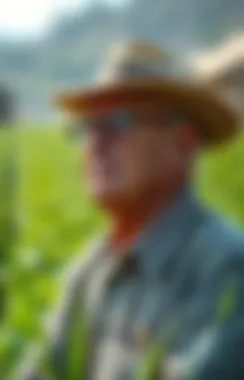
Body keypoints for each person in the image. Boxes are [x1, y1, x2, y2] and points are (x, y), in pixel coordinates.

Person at [19, 40, 244, 380]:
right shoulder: (91, 270)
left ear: (182, 141)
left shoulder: (225, 268)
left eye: (117, 122)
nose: (95, 144)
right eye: (88, 127)